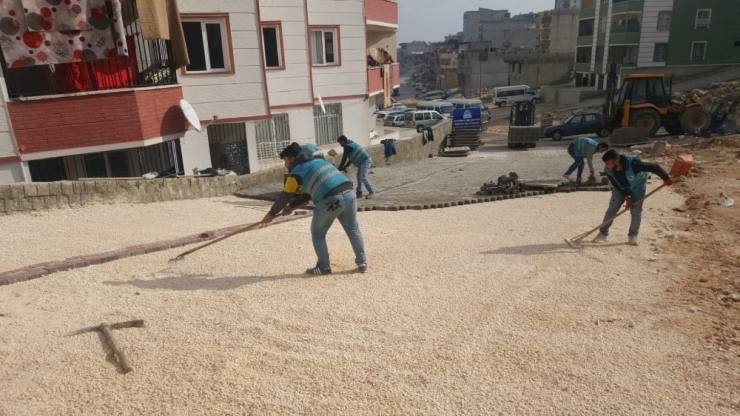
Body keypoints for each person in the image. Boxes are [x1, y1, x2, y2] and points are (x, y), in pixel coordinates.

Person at [261, 143, 368, 275]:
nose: (285, 164)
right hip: (349, 194)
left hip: (331, 200)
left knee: (318, 233)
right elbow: (309, 193)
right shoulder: (317, 162)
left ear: (292, 159)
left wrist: (270, 215)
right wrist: (292, 207)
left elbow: (284, 197)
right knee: (353, 229)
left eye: (286, 160)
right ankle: (362, 262)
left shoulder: (295, 174)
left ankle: (324, 267)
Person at [593, 150, 674, 246]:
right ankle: (602, 233)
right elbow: (615, 184)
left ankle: (633, 235)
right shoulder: (608, 170)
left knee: (636, 211)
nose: (606, 166)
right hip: (621, 187)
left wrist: (666, 178)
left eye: (608, 163)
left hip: (638, 186)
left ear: (616, 161)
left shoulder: (634, 164)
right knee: (612, 209)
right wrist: (626, 197)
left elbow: (655, 167)